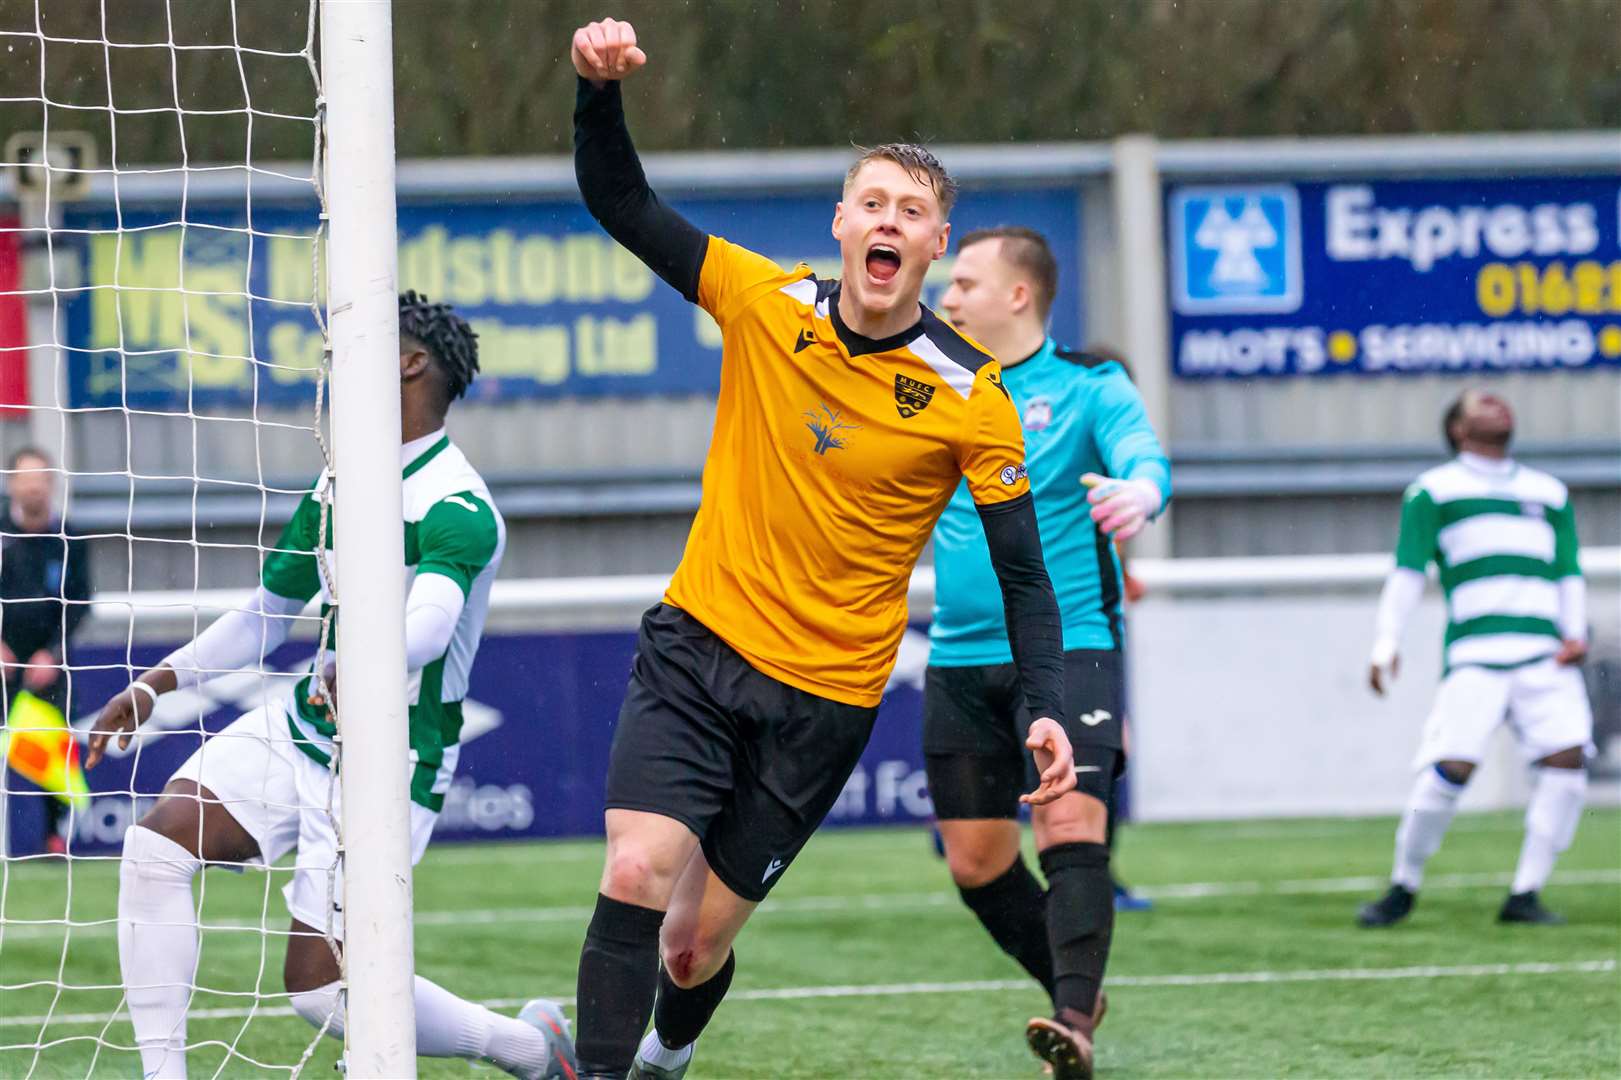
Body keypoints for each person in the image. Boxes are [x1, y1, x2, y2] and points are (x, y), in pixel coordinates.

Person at [567, 18, 1076, 1080]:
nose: (890, 221)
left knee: (693, 944)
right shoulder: (761, 298)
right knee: (635, 867)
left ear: (936, 248)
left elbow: (1026, 576)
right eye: (875, 202)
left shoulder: (975, 399)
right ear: (842, 222)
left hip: (825, 699)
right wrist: (596, 92)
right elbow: (622, 202)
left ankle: (668, 1054)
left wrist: (1045, 708)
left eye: (915, 212)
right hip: (697, 647)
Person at [87, 294, 576, 1079]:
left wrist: (365, 663)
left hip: (391, 760)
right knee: (154, 847)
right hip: (305, 724)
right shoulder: (338, 480)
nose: (337, 360)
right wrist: (159, 685)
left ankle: (525, 1047)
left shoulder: (458, 505)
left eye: (362, 343)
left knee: (320, 994)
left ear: (409, 363)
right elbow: (265, 619)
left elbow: (427, 627)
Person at [929, 228, 1170, 1078]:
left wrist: (1140, 490)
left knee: (1067, 828)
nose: (947, 297)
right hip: (957, 658)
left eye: (962, 282)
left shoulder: (1088, 386)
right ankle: (1076, 990)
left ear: (1017, 296)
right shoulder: (929, 380)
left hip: (1068, 651)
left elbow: (1143, 454)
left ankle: (1071, 1022)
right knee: (977, 862)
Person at [1359, 388, 1591, 928]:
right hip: (1476, 657)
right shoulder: (1433, 492)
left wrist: (1574, 632)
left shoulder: (1548, 492)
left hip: (1544, 657)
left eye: (1501, 400)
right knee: (1450, 768)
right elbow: (1409, 572)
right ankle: (1404, 883)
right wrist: (1385, 642)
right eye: (1481, 403)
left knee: (1568, 762)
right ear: (1459, 429)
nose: (1499, 404)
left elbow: (1569, 570)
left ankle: (1525, 893)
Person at [1, 446, 93, 855]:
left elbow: (81, 601)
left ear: (51, 484)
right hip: (2, 656)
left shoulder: (69, 537)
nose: (34, 487)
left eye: (41, 478)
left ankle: (55, 838)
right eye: (26, 478)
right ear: (12, 484)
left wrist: (51, 652)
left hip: (48, 661)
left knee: (54, 748)